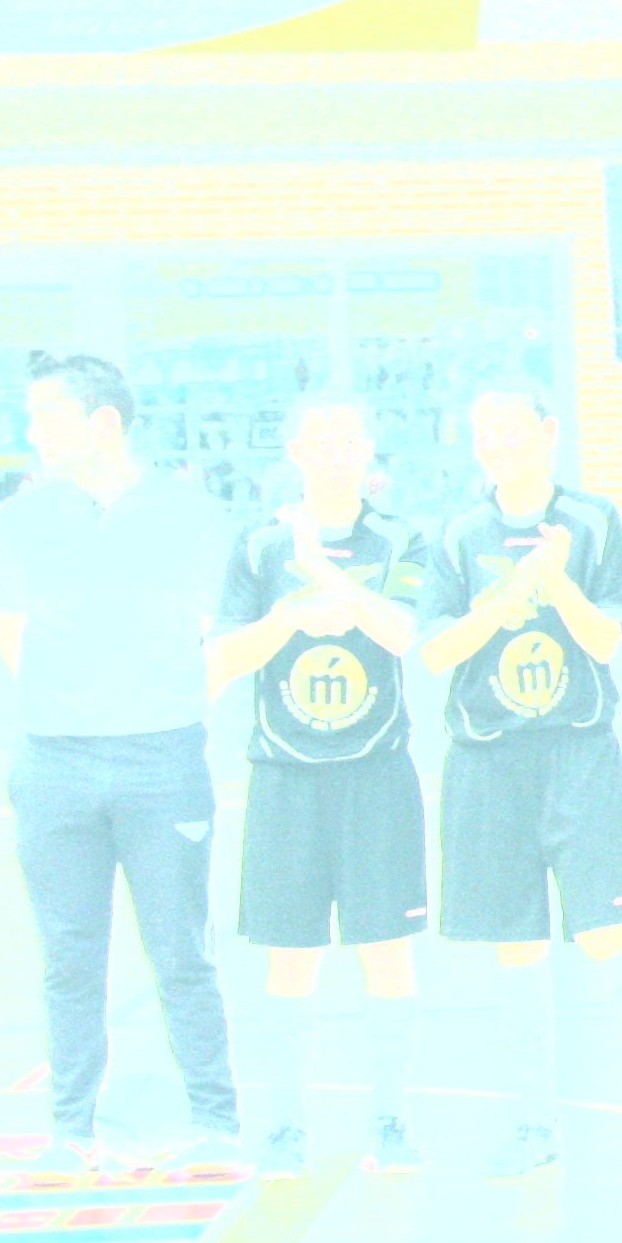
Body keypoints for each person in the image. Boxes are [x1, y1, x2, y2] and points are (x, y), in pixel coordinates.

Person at [0, 351, 242, 1176]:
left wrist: (149, 703)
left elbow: (217, 634)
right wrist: (72, 708)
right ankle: (71, 1131)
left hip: (161, 762)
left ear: (103, 422)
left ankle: (216, 1121)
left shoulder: (195, 517)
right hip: (52, 766)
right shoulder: (20, 522)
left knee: (182, 953)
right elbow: (10, 633)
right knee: (68, 957)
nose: (32, 434)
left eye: (47, 417)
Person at [418, 380, 622, 1176]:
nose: (498, 443)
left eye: (512, 428)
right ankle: (535, 1126)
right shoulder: (458, 535)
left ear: (547, 432)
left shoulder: (592, 522)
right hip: (488, 761)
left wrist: (554, 580)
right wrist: (504, 599)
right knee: (516, 947)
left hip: (576, 753)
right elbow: (435, 651)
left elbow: (605, 640)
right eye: (483, 431)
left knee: (606, 934)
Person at [208, 398, 428, 1180]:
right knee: (290, 960)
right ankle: (284, 1128)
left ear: (369, 451)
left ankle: (390, 1122)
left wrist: (331, 576)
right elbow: (221, 660)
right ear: (294, 451)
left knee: (387, 953)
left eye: (349, 440)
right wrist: (291, 617)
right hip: (286, 776)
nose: (336, 453)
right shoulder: (259, 545)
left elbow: (404, 633)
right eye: (320, 441)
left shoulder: (399, 539)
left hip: (376, 773)